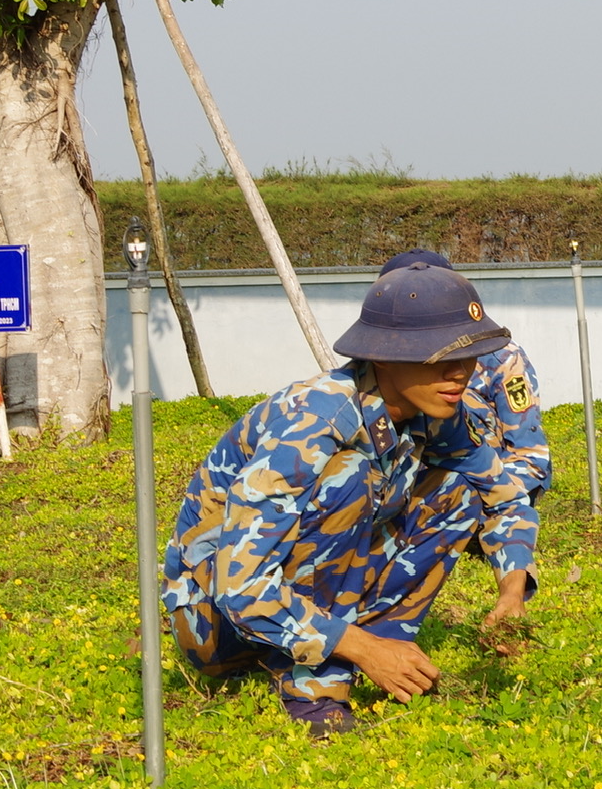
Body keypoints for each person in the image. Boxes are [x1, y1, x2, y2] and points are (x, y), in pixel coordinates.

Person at [163, 263, 528, 737]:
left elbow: (504, 496)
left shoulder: (435, 413)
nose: (460, 373)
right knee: (348, 477)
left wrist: (512, 591)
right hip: (217, 625)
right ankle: (318, 686)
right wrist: (361, 648)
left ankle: (391, 652)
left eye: (471, 356)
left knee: (458, 490)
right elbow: (239, 588)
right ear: (386, 357)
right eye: (439, 357)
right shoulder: (317, 423)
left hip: (287, 602)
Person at [380, 248, 548, 628]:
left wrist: (490, 508)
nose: (455, 372)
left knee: (464, 489)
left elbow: (528, 456)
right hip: (414, 486)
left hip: (481, 477)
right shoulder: (338, 412)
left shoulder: (502, 359)